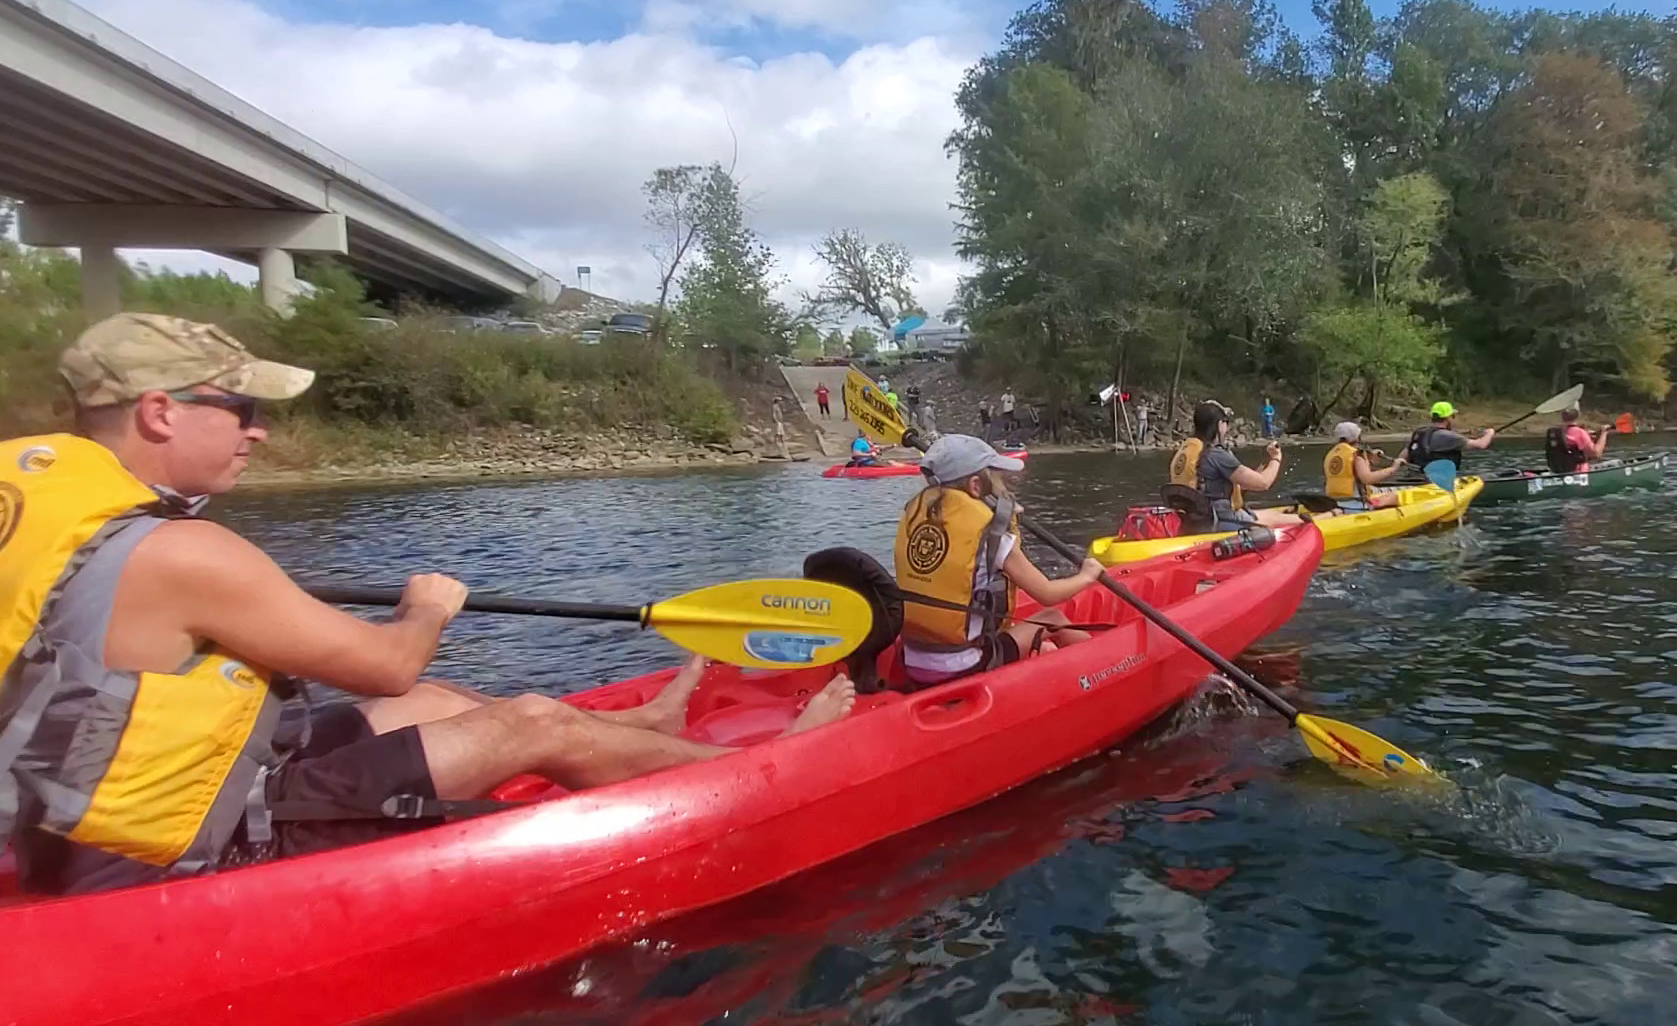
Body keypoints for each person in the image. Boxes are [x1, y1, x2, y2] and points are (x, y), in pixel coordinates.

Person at [3, 313, 856, 896]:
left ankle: (654, 730)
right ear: (159, 411)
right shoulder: (183, 551)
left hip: (80, 824)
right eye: (244, 410)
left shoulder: (32, 507)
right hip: (181, 850)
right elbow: (389, 658)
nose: (257, 432)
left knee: (433, 703)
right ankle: (770, 766)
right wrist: (428, 605)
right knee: (526, 719)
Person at [895, 435, 1101, 688]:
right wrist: (1087, 575)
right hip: (965, 664)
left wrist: (1003, 518)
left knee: (1032, 639)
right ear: (975, 486)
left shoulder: (917, 515)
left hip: (913, 659)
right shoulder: (992, 533)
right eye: (998, 480)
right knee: (1054, 618)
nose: (1004, 489)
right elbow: (1048, 594)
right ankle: (1104, 669)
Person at [1184, 402, 1305, 531]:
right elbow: (1263, 483)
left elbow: (1237, 485)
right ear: (1219, 425)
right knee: (1298, 520)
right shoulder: (1216, 455)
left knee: (1273, 514)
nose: (1228, 426)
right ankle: (1325, 518)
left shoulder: (1188, 451)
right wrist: (1276, 458)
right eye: (1226, 421)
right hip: (1220, 521)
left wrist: (1264, 463)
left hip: (1197, 520)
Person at [1403, 401, 1495, 491]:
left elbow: (1404, 455)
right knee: (1490, 476)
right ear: (1448, 418)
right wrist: (1490, 433)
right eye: (1453, 416)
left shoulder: (1420, 433)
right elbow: (1481, 444)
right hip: (1436, 483)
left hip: (1415, 478)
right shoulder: (1448, 436)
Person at [1322, 422, 1403, 510]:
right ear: (1356, 437)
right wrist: (1393, 468)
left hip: (1334, 502)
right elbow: (1368, 479)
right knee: (1393, 497)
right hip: (1355, 503)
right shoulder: (1356, 455)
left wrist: (1369, 460)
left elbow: (1352, 471)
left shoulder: (1331, 454)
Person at [1544, 408, 1609, 473]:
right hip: (1578, 473)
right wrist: (1603, 433)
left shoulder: (1553, 432)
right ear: (1577, 417)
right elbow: (1596, 454)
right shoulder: (1579, 432)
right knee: (1616, 463)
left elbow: (1568, 438)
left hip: (1556, 471)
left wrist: (1587, 434)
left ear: (1562, 417)